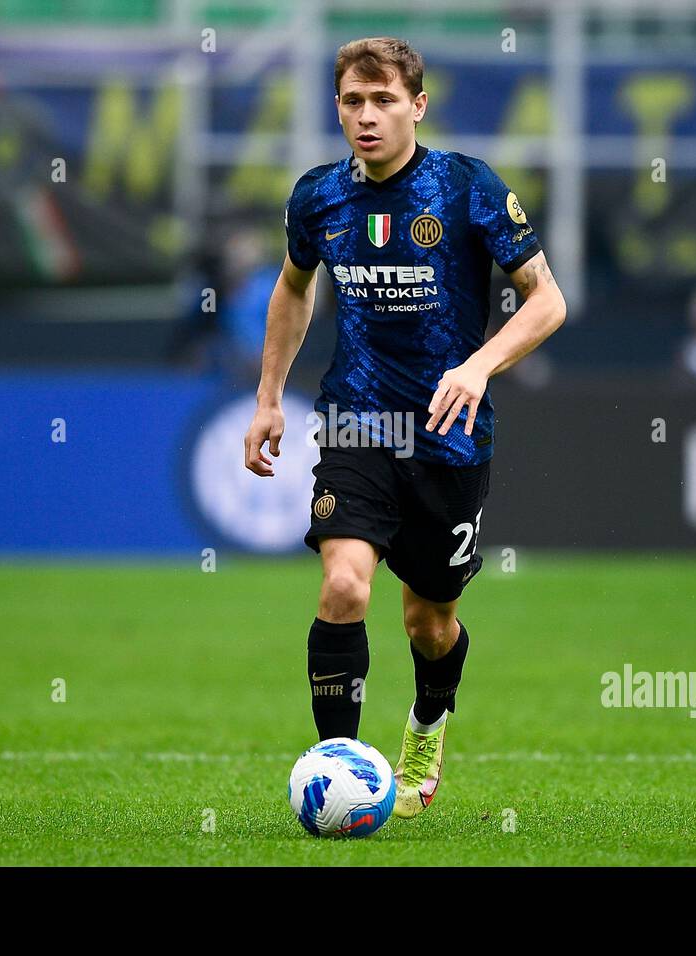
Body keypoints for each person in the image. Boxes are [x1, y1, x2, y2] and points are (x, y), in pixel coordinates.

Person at [243, 37, 566, 819]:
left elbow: (547, 300)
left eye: (383, 100)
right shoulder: (318, 197)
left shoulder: (465, 188)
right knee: (344, 585)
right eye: (352, 101)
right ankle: (338, 774)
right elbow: (293, 290)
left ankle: (427, 724)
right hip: (357, 422)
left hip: (449, 436)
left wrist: (480, 366)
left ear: (417, 105)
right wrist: (269, 397)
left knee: (429, 620)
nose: (366, 116)